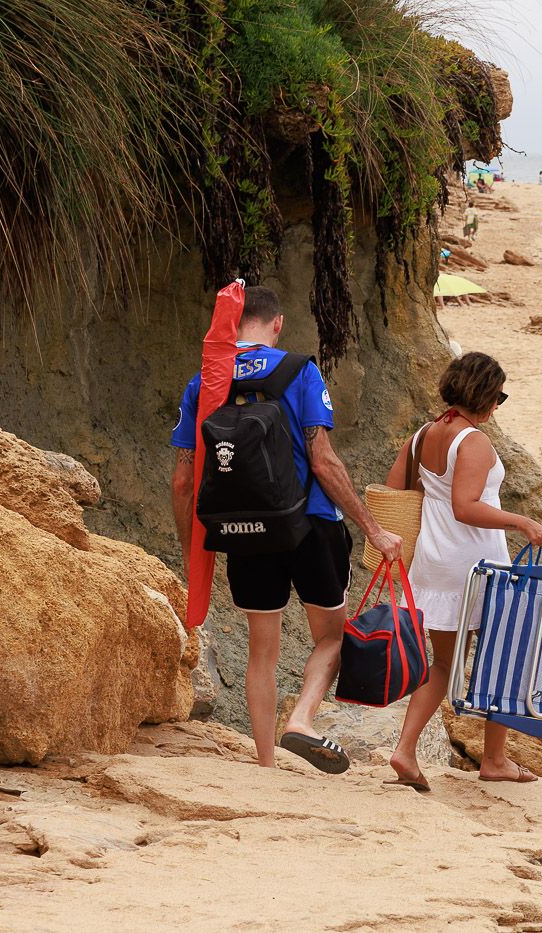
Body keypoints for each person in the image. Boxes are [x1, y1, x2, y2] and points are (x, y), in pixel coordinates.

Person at [170, 285, 402, 773]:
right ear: (277, 324)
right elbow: (323, 461)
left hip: (243, 532)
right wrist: (374, 530)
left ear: (234, 325)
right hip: (311, 524)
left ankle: (265, 764)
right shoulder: (299, 370)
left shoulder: (204, 382)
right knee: (331, 638)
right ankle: (300, 718)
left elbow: (184, 479)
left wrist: (193, 551)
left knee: (262, 651)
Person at [386, 353, 542, 789]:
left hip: (432, 562)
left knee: (441, 664)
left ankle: (404, 750)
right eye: (498, 396)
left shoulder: (422, 436)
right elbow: (466, 507)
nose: (498, 406)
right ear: (486, 396)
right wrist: (521, 520)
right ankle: (495, 760)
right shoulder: (473, 441)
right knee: (504, 658)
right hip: (474, 566)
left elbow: (390, 492)